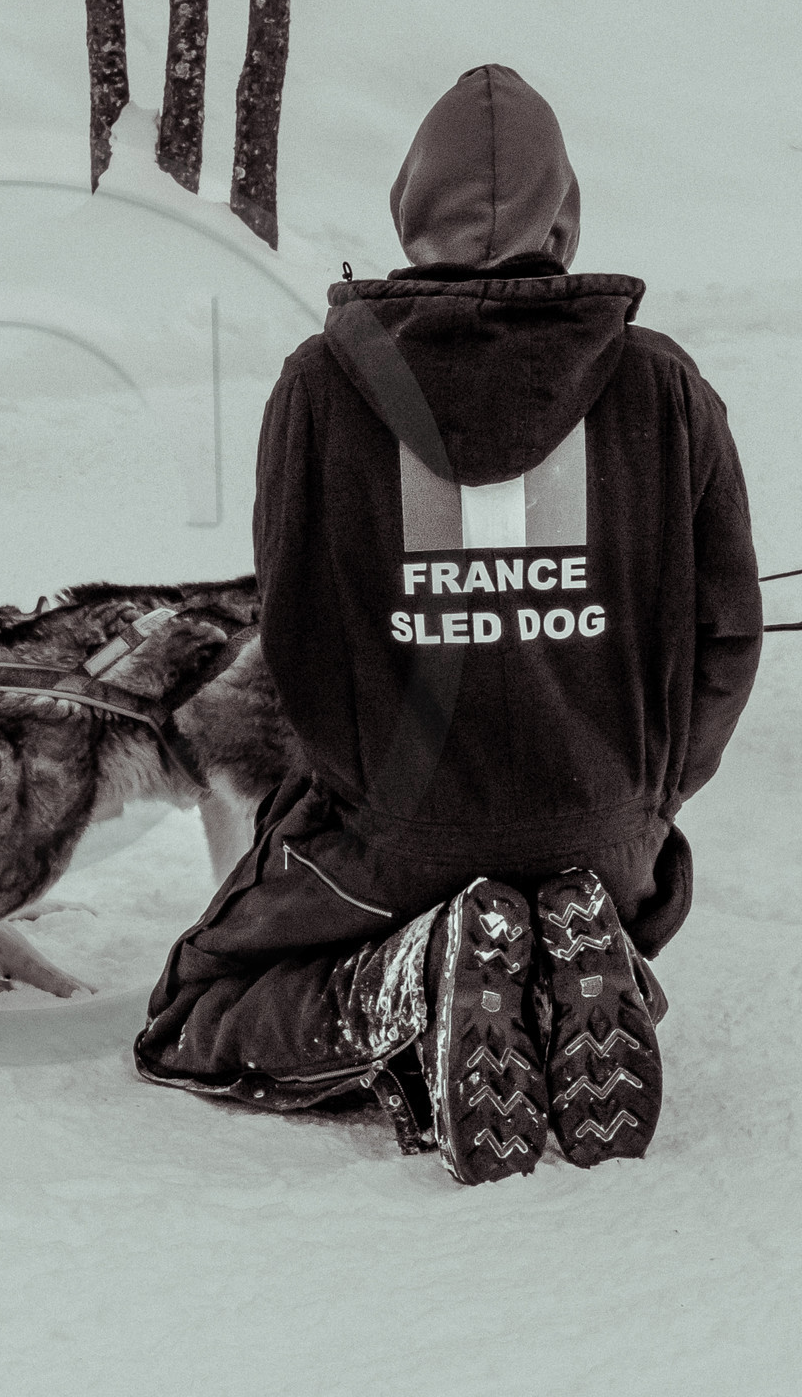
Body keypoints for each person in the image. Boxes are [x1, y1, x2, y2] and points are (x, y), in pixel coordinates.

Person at [134, 64, 763, 1184]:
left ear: (408, 210)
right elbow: (727, 633)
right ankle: (568, 964)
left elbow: (297, 634)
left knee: (190, 1013)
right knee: (587, 869)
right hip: (606, 825)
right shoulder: (663, 386)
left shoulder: (321, 387)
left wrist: (357, 792)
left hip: (396, 832)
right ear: (564, 217)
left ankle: (415, 977)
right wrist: (651, 792)